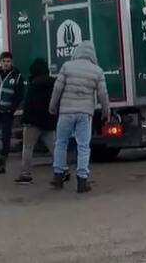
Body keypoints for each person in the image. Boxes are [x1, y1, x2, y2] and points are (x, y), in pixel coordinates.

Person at [49, 40, 110, 193]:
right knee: (83, 146)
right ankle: (82, 181)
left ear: (77, 52)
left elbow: (57, 88)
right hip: (85, 113)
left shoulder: (67, 66)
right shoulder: (97, 70)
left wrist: (53, 106)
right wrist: (105, 111)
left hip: (66, 112)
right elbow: (103, 94)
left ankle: (58, 176)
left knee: (61, 143)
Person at [16, 58, 57, 185]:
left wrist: (24, 119)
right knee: (54, 147)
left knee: (28, 148)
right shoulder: (53, 82)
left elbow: (28, 104)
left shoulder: (33, 84)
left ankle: (26, 175)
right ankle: (63, 169)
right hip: (48, 120)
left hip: (33, 122)